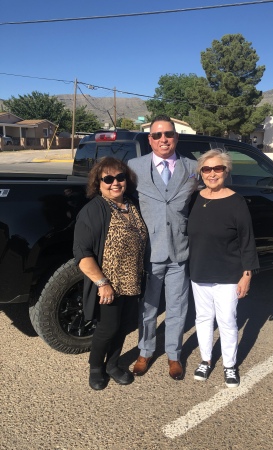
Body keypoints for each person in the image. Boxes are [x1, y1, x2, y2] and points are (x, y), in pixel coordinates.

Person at [128, 115, 198, 380]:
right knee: (148, 308)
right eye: (157, 135)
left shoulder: (192, 166)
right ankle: (145, 351)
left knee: (178, 309)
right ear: (150, 139)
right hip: (150, 251)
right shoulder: (134, 166)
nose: (163, 139)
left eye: (168, 134)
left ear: (176, 137)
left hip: (180, 251)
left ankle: (174, 356)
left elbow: (207, 191)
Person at [73, 157, 147, 390]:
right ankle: (96, 367)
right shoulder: (93, 211)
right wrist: (102, 283)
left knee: (123, 326)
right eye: (108, 178)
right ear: (98, 183)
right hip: (109, 284)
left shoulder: (132, 205)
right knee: (107, 329)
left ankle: (113, 364)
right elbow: (82, 254)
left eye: (120, 177)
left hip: (132, 281)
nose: (115, 183)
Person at [187, 149, 259, 387]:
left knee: (227, 320)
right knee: (203, 318)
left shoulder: (236, 202)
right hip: (199, 271)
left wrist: (246, 275)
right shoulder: (195, 198)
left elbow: (247, 241)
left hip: (228, 273)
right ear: (201, 173)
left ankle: (229, 365)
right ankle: (206, 360)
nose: (212, 173)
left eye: (218, 168)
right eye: (206, 169)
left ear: (226, 171)